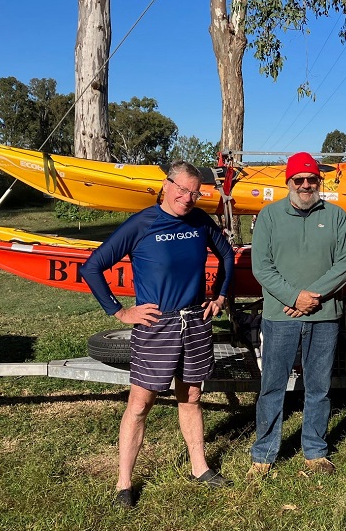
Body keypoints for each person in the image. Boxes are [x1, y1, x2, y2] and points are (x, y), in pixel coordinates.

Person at [81, 160, 235, 508]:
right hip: (157, 326)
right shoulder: (142, 223)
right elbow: (92, 266)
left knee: (192, 396)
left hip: (195, 321)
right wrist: (120, 311)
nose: (189, 198)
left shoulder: (199, 221)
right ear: (166, 186)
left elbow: (226, 254)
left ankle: (200, 468)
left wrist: (221, 294)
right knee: (139, 404)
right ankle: (124, 483)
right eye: (182, 190)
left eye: (195, 193)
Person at [247, 151, 346, 479]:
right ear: (288, 182)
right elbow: (261, 267)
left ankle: (315, 451)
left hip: (324, 316)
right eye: (299, 180)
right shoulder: (268, 216)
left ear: (318, 181)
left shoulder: (336, 216)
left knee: (319, 386)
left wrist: (313, 297)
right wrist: (294, 296)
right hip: (280, 317)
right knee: (272, 385)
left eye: (311, 179)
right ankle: (263, 455)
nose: (306, 185)